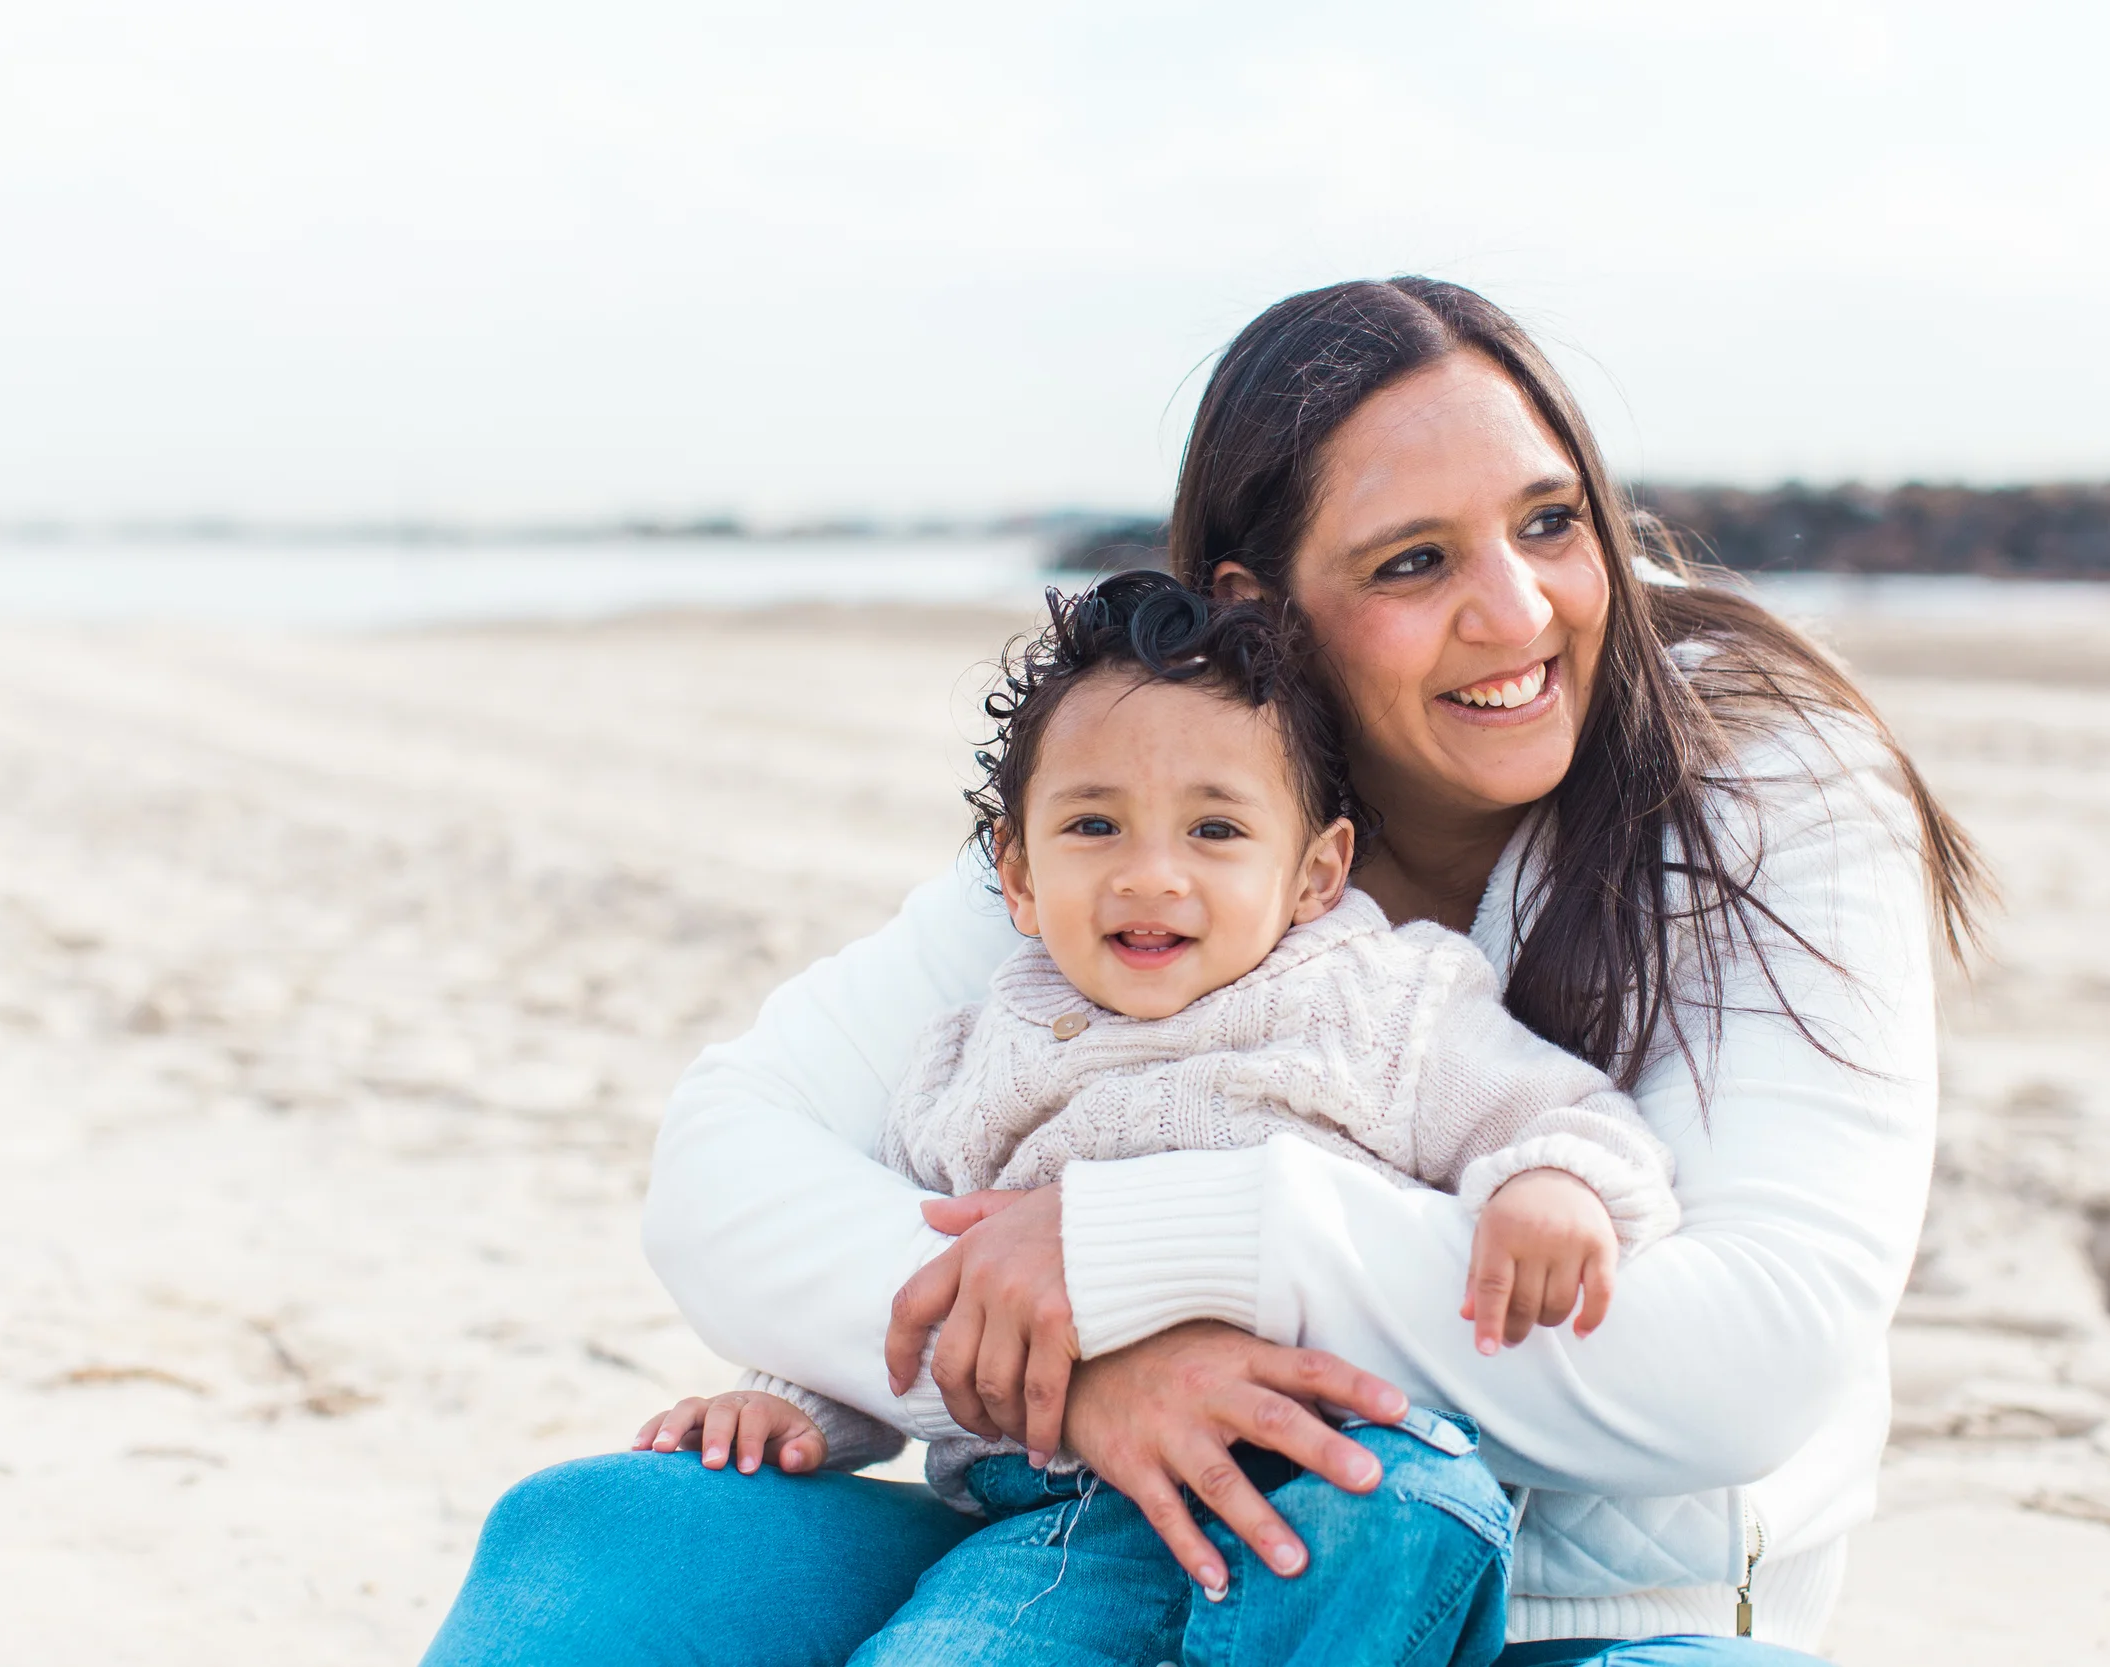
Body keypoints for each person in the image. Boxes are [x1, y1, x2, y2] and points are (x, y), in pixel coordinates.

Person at [421, 277, 1987, 1667]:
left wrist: (1160, 1245)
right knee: (600, 1541)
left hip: (1578, 1614)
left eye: (1550, 521)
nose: (1515, 611)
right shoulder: (1154, 811)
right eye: (1412, 560)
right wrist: (1089, 1376)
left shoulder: (1762, 779)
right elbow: (725, 1164)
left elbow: (1755, 1354)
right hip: (1092, 1532)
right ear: (1258, 607)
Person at [628, 567, 1679, 1665]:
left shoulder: (1381, 1001)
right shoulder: (974, 1057)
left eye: (1216, 828)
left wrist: (1547, 1182)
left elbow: (1565, 1115)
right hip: (1069, 1513)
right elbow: (925, 1288)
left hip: (1342, 1467)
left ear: (1316, 870)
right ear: (1019, 876)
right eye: (1094, 824)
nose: (1151, 874)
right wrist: (795, 1403)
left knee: (1409, 1501)